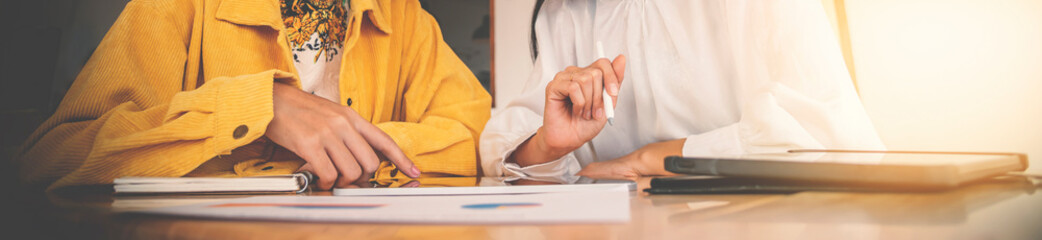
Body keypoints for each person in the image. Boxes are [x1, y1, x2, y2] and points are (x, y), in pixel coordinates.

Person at [17, 0, 492, 191]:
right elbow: (47, 161)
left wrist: (355, 146)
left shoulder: (401, 13)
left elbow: (472, 134)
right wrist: (259, 108)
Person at [480, 0, 885, 182]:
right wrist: (549, 145)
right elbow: (504, 145)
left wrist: (651, 158)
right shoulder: (564, 12)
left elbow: (829, 136)